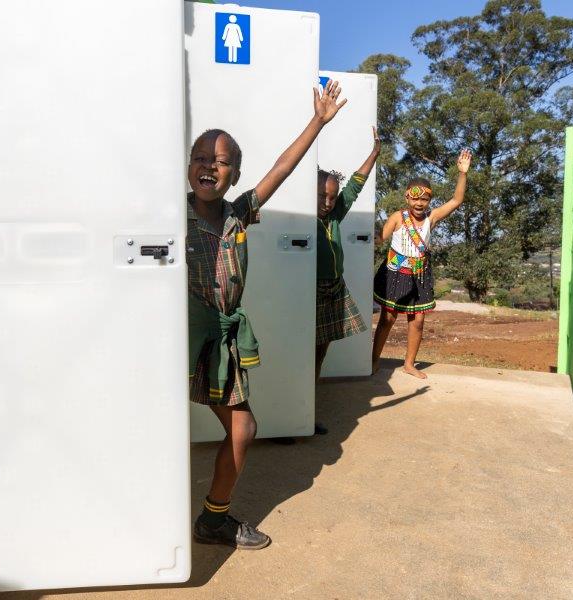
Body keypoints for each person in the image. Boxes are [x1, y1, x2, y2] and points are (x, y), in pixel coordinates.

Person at [187, 80, 347, 549]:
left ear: (235, 175)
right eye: (201, 157)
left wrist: (318, 121)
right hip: (176, 338)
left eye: (221, 161)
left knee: (243, 426)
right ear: (188, 166)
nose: (209, 166)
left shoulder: (239, 214)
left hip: (218, 341)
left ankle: (214, 518)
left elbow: (282, 167)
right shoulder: (169, 216)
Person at [371, 149, 473, 379]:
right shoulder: (397, 217)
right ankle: (373, 360)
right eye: (415, 198)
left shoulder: (431, 218)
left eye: (424, 199)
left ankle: (409, 364)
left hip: (419, 275)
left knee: (417, 322)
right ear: (407, 198)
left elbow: (457, 200)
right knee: (387, 319)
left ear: (429, 201)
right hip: (396, 274)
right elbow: (380, 238)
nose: (419, 203)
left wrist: (462, 173)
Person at [314, 127, 380, 430]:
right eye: (321, 196)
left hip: (334, 289)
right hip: (311, 293)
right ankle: (297, 410)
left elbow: (354, 186)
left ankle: (308, 405)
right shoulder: (302, 220)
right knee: (306, 352)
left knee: (321, 350)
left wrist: (374, 154)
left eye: (331, 197)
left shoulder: (334, 216)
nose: (328, 202)